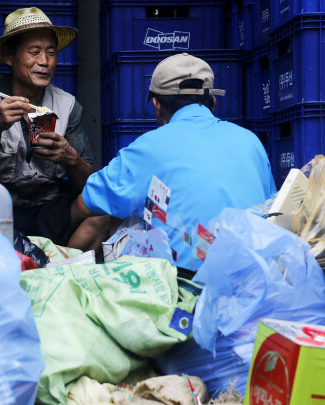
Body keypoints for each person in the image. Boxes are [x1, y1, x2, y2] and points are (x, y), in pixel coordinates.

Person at [71, 52, 277, 270]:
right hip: (254, 270)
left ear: (157, 105)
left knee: (106, 218)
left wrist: (61, 224)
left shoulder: (148, 147)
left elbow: (86, 204)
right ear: (213, 103)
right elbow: (270, 207)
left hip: (183, 280)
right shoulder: (251, 141)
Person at [0, 6, 109, 251]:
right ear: (9, 56)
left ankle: (63, 270)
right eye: (34, 52)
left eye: (51, 52)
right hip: (1, 206)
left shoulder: (67, 105)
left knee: (102, 212)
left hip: (49, 206)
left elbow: (88, 185)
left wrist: (71, 158)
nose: (44, 62)